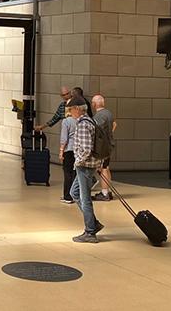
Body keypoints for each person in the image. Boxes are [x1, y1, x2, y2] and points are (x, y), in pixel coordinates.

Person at [69, 99, 104, 243]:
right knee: (74, 193)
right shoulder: (89, 121)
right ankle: (94, 223)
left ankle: (90, 232)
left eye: (70, 109)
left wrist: (78, 162)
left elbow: (86, 149)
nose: (69, 112)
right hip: (88, 165)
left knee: (85, 198)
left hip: (85, 166)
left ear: (78, 109)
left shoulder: (83, 125)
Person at [91, 94, 116, 202]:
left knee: (103, 169)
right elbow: (115, 124)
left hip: (102, 147)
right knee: (106, 167)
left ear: (94, 104)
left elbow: (96, 131)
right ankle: (107, 191)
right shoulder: (109, 113)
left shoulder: (98, 116)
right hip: (110, 144)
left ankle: (104, 193)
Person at [58, 104, 78, 204]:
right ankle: (75, 194)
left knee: (67, 173)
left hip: (69, 150)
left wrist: (61, 151)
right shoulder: (80, 120)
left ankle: (67, 196)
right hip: (78, 150)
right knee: (75, 173)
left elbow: (64, 138)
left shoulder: (66, 121)